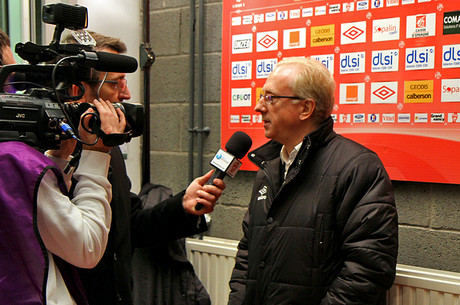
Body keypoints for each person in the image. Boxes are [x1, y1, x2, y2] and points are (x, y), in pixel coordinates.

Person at [62, 30, 225, 305]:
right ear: (78, 89)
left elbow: (131, 226)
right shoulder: (45, 156)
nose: (126, 94)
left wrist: (182, 205)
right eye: (116, 84)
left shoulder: (107, 146)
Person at [228, 57, 398, 305]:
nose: (259, 107)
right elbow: (247, 254)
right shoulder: (270, 168)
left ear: (305, 108)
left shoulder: (358, 167)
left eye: (270, 97)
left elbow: (367, 270)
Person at [0, 96, 126, 304]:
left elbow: (22, 228)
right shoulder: (14, 161)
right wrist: (96, 154)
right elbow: (87, 247)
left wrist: (57, 161)